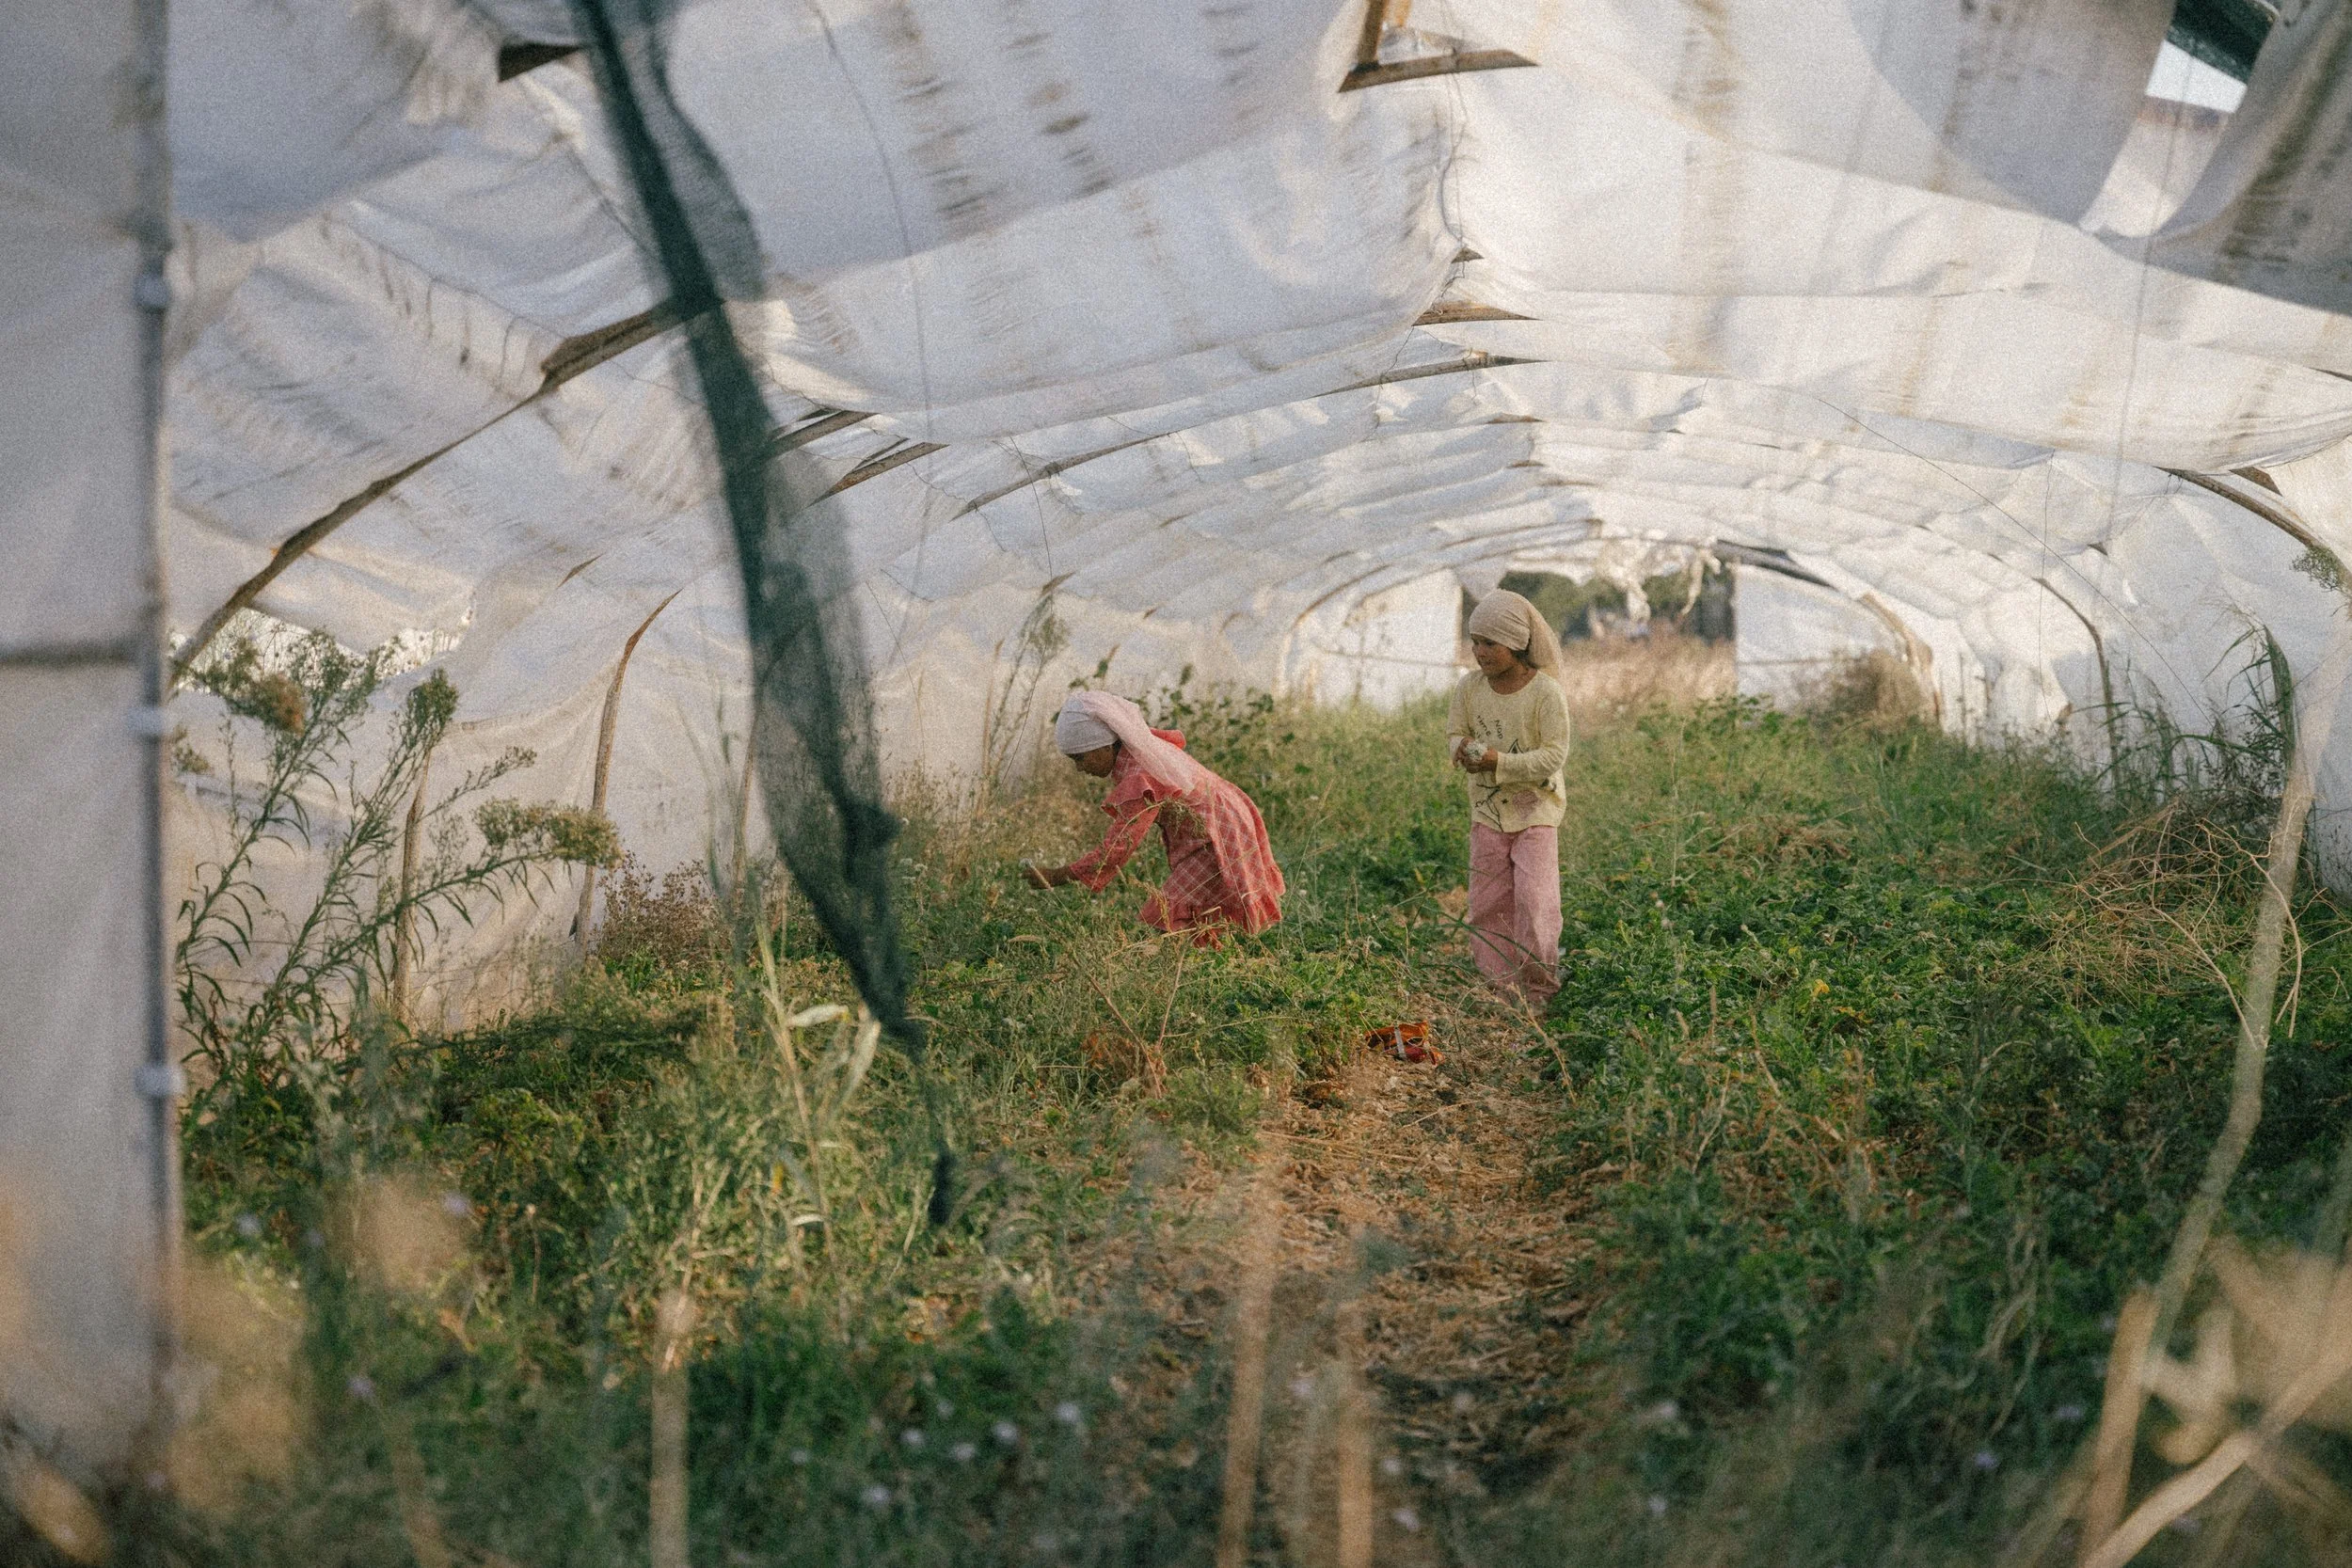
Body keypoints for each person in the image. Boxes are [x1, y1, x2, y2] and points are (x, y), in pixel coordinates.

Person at [1023, 690, 1284, 944]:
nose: (1080, 768)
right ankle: (1208, 966)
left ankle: (1198, 970)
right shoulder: (1140, 752)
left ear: (1103, 746)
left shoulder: (1140, 774)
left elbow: (1117, 847)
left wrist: (1058, 876)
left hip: (1217, 834)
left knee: (1169, 916)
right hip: (1223, 818)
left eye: (1080, 758)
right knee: (1192, 917)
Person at [1448, 589, 1571, 1003]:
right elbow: (1456, 732)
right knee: (1488, 901)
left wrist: (1499, 762)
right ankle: (1499, 988)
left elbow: (1554, 755)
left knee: (1536, 903)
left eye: (1489, 644)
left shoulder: (1544, 694)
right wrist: (1462, 750)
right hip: (1487, 813)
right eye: (1475, 642)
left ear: (1516, 644)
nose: (1479, 652)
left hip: (1536, 813)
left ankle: (1539, 988)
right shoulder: (1470, 688)